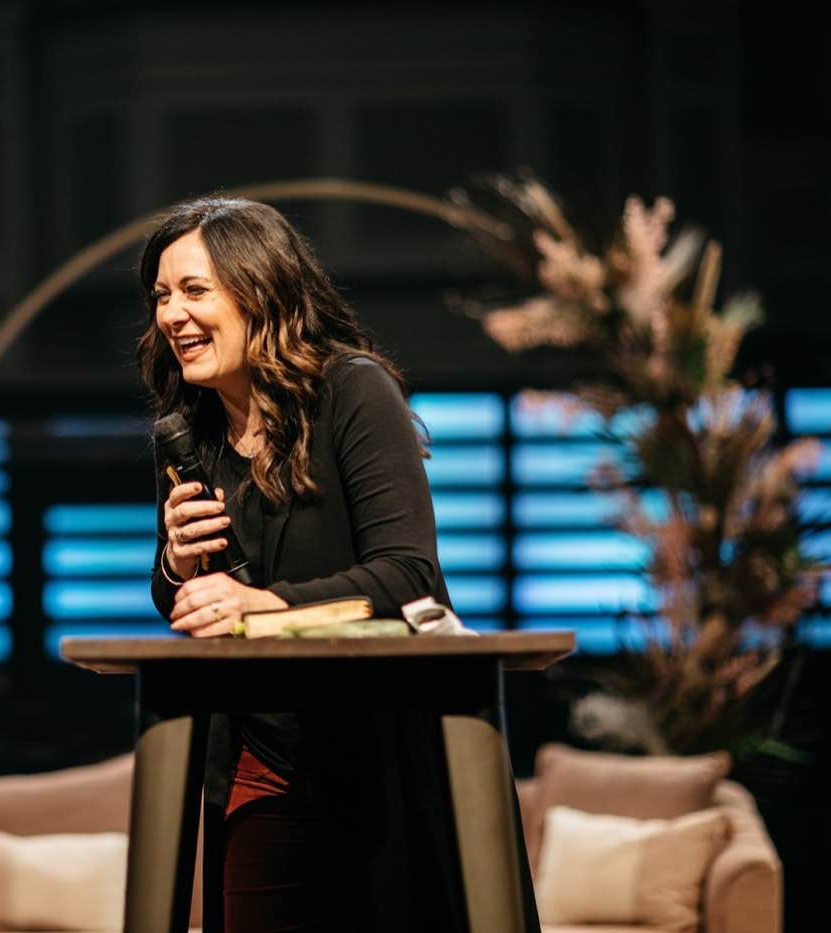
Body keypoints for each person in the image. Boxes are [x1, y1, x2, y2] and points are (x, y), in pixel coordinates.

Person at [139, 197, 539, 932]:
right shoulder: (187, 429)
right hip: (260, 755)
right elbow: (188, 603)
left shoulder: (353, 391)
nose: (172, 315)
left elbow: (407, 576)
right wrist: (175, 563)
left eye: (194, 290)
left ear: (259, 288)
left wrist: (262, 605)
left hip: (381, 751)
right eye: (162, 296)